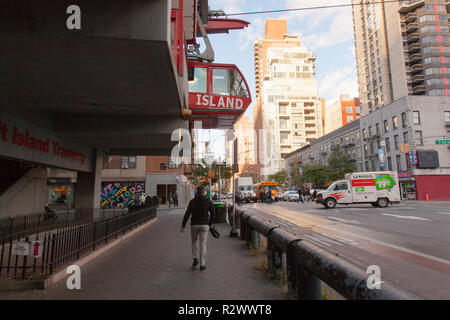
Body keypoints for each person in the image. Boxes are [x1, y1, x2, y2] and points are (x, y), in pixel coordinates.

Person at [181, 186, 215, 271]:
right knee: (203, 244)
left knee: (194, 241)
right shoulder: (208, 201)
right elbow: (213, 213)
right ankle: (202, 264)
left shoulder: (192, 202)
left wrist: (183, 225)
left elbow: (187, 214)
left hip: (194, 225)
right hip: (204, 225)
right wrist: (209, 224)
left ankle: (195, 258)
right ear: (204, 192)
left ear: (196, 193)